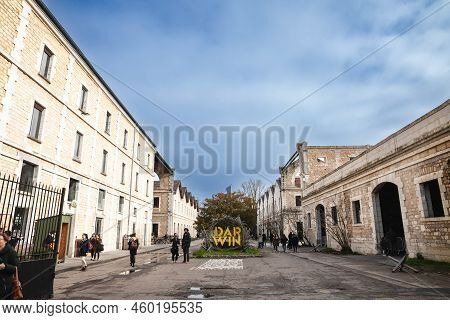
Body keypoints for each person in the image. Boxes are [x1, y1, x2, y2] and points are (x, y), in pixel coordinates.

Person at [0, 233, 19, 300]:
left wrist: (5, 266)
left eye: (0, 239)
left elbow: (16, 267)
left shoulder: (11, 252)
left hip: (5, 283)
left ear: (5, 241)